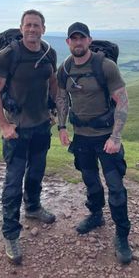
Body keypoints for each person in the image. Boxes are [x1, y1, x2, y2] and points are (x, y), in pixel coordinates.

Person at [56, 22, 132, 265]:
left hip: (106, 136)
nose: (77, 43)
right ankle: (96, 214)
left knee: (116, 187)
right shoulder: (65, 69)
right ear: (68, 42)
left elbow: (122, 102)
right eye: (73, 39)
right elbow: (61, 97)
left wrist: (116, 137)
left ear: (89, 40)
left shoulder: (105, 66)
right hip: (81, 137)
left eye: (82, 38)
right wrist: (62, 126)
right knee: (90, 180)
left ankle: (122, 235)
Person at [0, 9, 57, 264]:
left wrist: (52, 111)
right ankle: (10, 233)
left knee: (37, 171)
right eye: (28, 25)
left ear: (43, 29)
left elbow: (52, 83)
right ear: (21, 28)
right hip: (16, 131)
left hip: (41, 127)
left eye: (36, 25)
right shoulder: (9, 55)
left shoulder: (49, 53)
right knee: (13, 182)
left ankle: (33, 208)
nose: (32, 29)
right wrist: (4, 125)